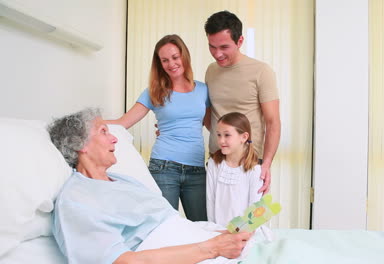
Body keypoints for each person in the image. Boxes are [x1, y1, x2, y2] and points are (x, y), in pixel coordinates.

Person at [48, 108, 251, 264]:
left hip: (198, 244)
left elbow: (170, 223)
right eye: (103, 132)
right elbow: (123, 261)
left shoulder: (123, 181)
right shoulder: (76, 200)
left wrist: (221, 237)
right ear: (79, 144)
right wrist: (212, 248)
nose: (115, 138)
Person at [108, 34, 210, 221]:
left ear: (184, 56)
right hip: (164, 167)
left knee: (201, 227)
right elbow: (123, 123)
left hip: (196, 170)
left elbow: (213, 125)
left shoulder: (204, 90)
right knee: (165, 227)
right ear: (159, 64)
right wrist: (93, 122)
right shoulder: (154, 92)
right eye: (165, 60)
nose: (171, 64)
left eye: (175, 57)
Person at [204, 11, 281, 195]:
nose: (217, 53)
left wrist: (266, 163)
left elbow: (273, 123)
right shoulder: (211, 71)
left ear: (240, 42)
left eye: (224, 47)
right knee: (217, 220)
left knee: (250, 220)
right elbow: (207, 116)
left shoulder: (261, 71)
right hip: (217, 161)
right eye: (212, 46)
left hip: (250, 163)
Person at [206, 112, 273, 241]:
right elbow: (210, 201)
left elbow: (255, 215)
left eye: (227, 135)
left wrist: (235, 234)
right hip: (218, 231)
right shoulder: (214, 164)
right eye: (218, 135)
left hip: (246, 233)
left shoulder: (255, 170)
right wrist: (216, 233)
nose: (221, 140)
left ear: (244, 137)